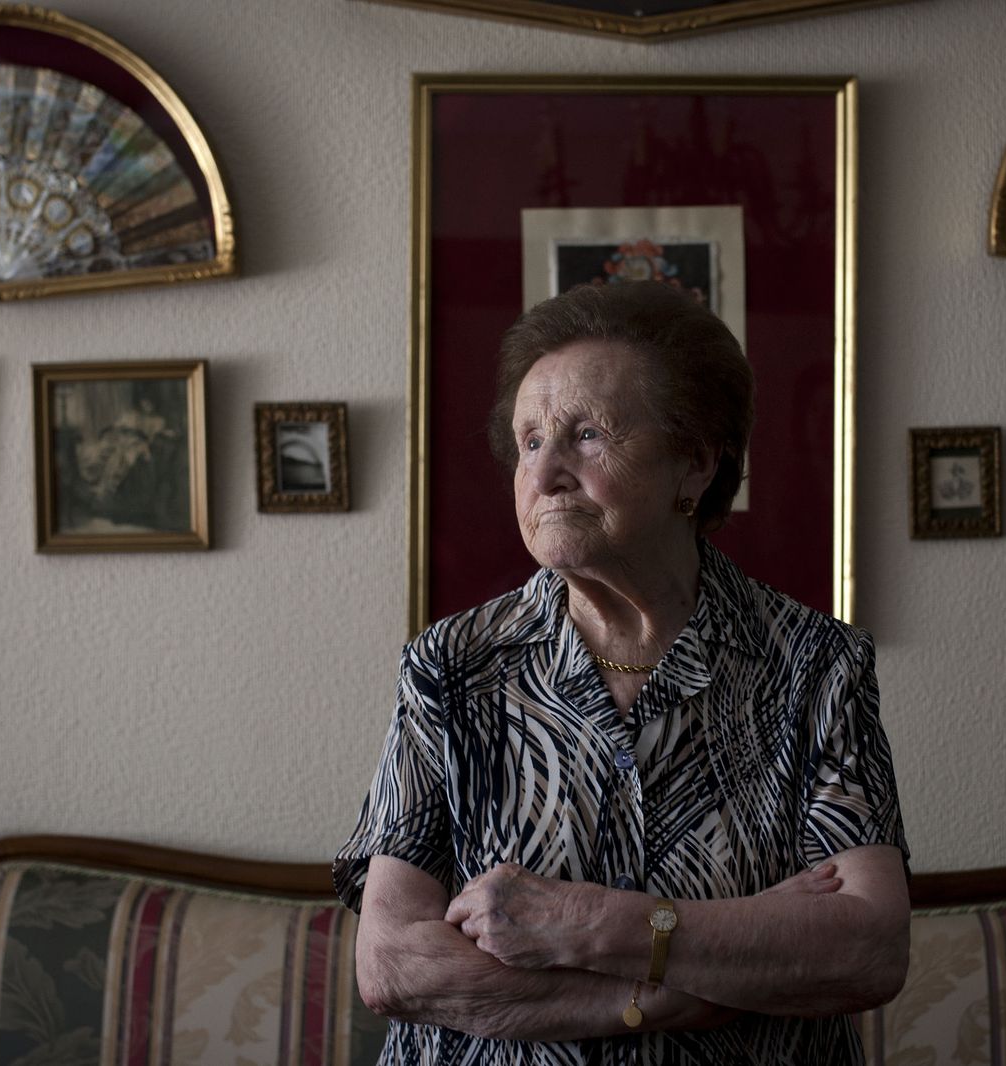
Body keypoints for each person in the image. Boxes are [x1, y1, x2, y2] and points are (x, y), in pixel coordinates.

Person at [334, 281, 910, 1065]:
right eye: (529, 441)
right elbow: (393, 964)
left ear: (695, 463)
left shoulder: (815, 665)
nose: (545, 474)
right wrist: (657, 998)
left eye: (588, 435)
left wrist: (588, 923)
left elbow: (867, 948)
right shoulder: (451, 667)